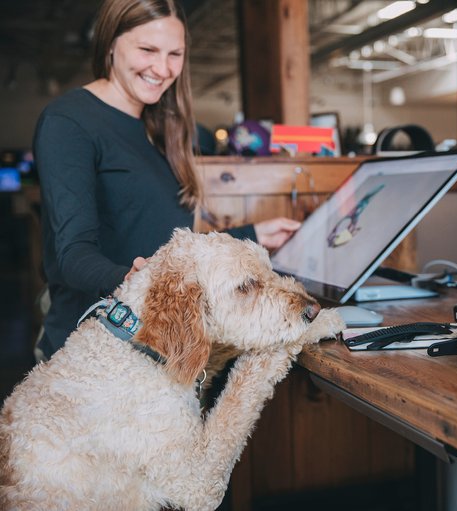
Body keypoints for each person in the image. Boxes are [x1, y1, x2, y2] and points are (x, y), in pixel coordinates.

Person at [33, 0, 300, 359]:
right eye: (147, 50)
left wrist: (253, 235)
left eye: (175, 54)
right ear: (110, 42)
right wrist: (137, 278)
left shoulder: (162, 127)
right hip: (91, 352)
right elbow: (72, 254)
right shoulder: (69, 123)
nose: (162, 68)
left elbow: (159, 240)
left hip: (158, 349)